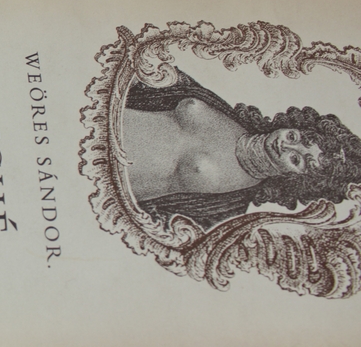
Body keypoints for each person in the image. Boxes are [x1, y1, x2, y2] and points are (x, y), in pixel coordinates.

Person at [122, 69, 361, 230]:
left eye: (296, 159)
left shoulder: (228, 207)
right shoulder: (225, 112)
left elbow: (155, 225)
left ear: (294, 180)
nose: (285, 145)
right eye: (294, 136)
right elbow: (155, 79)